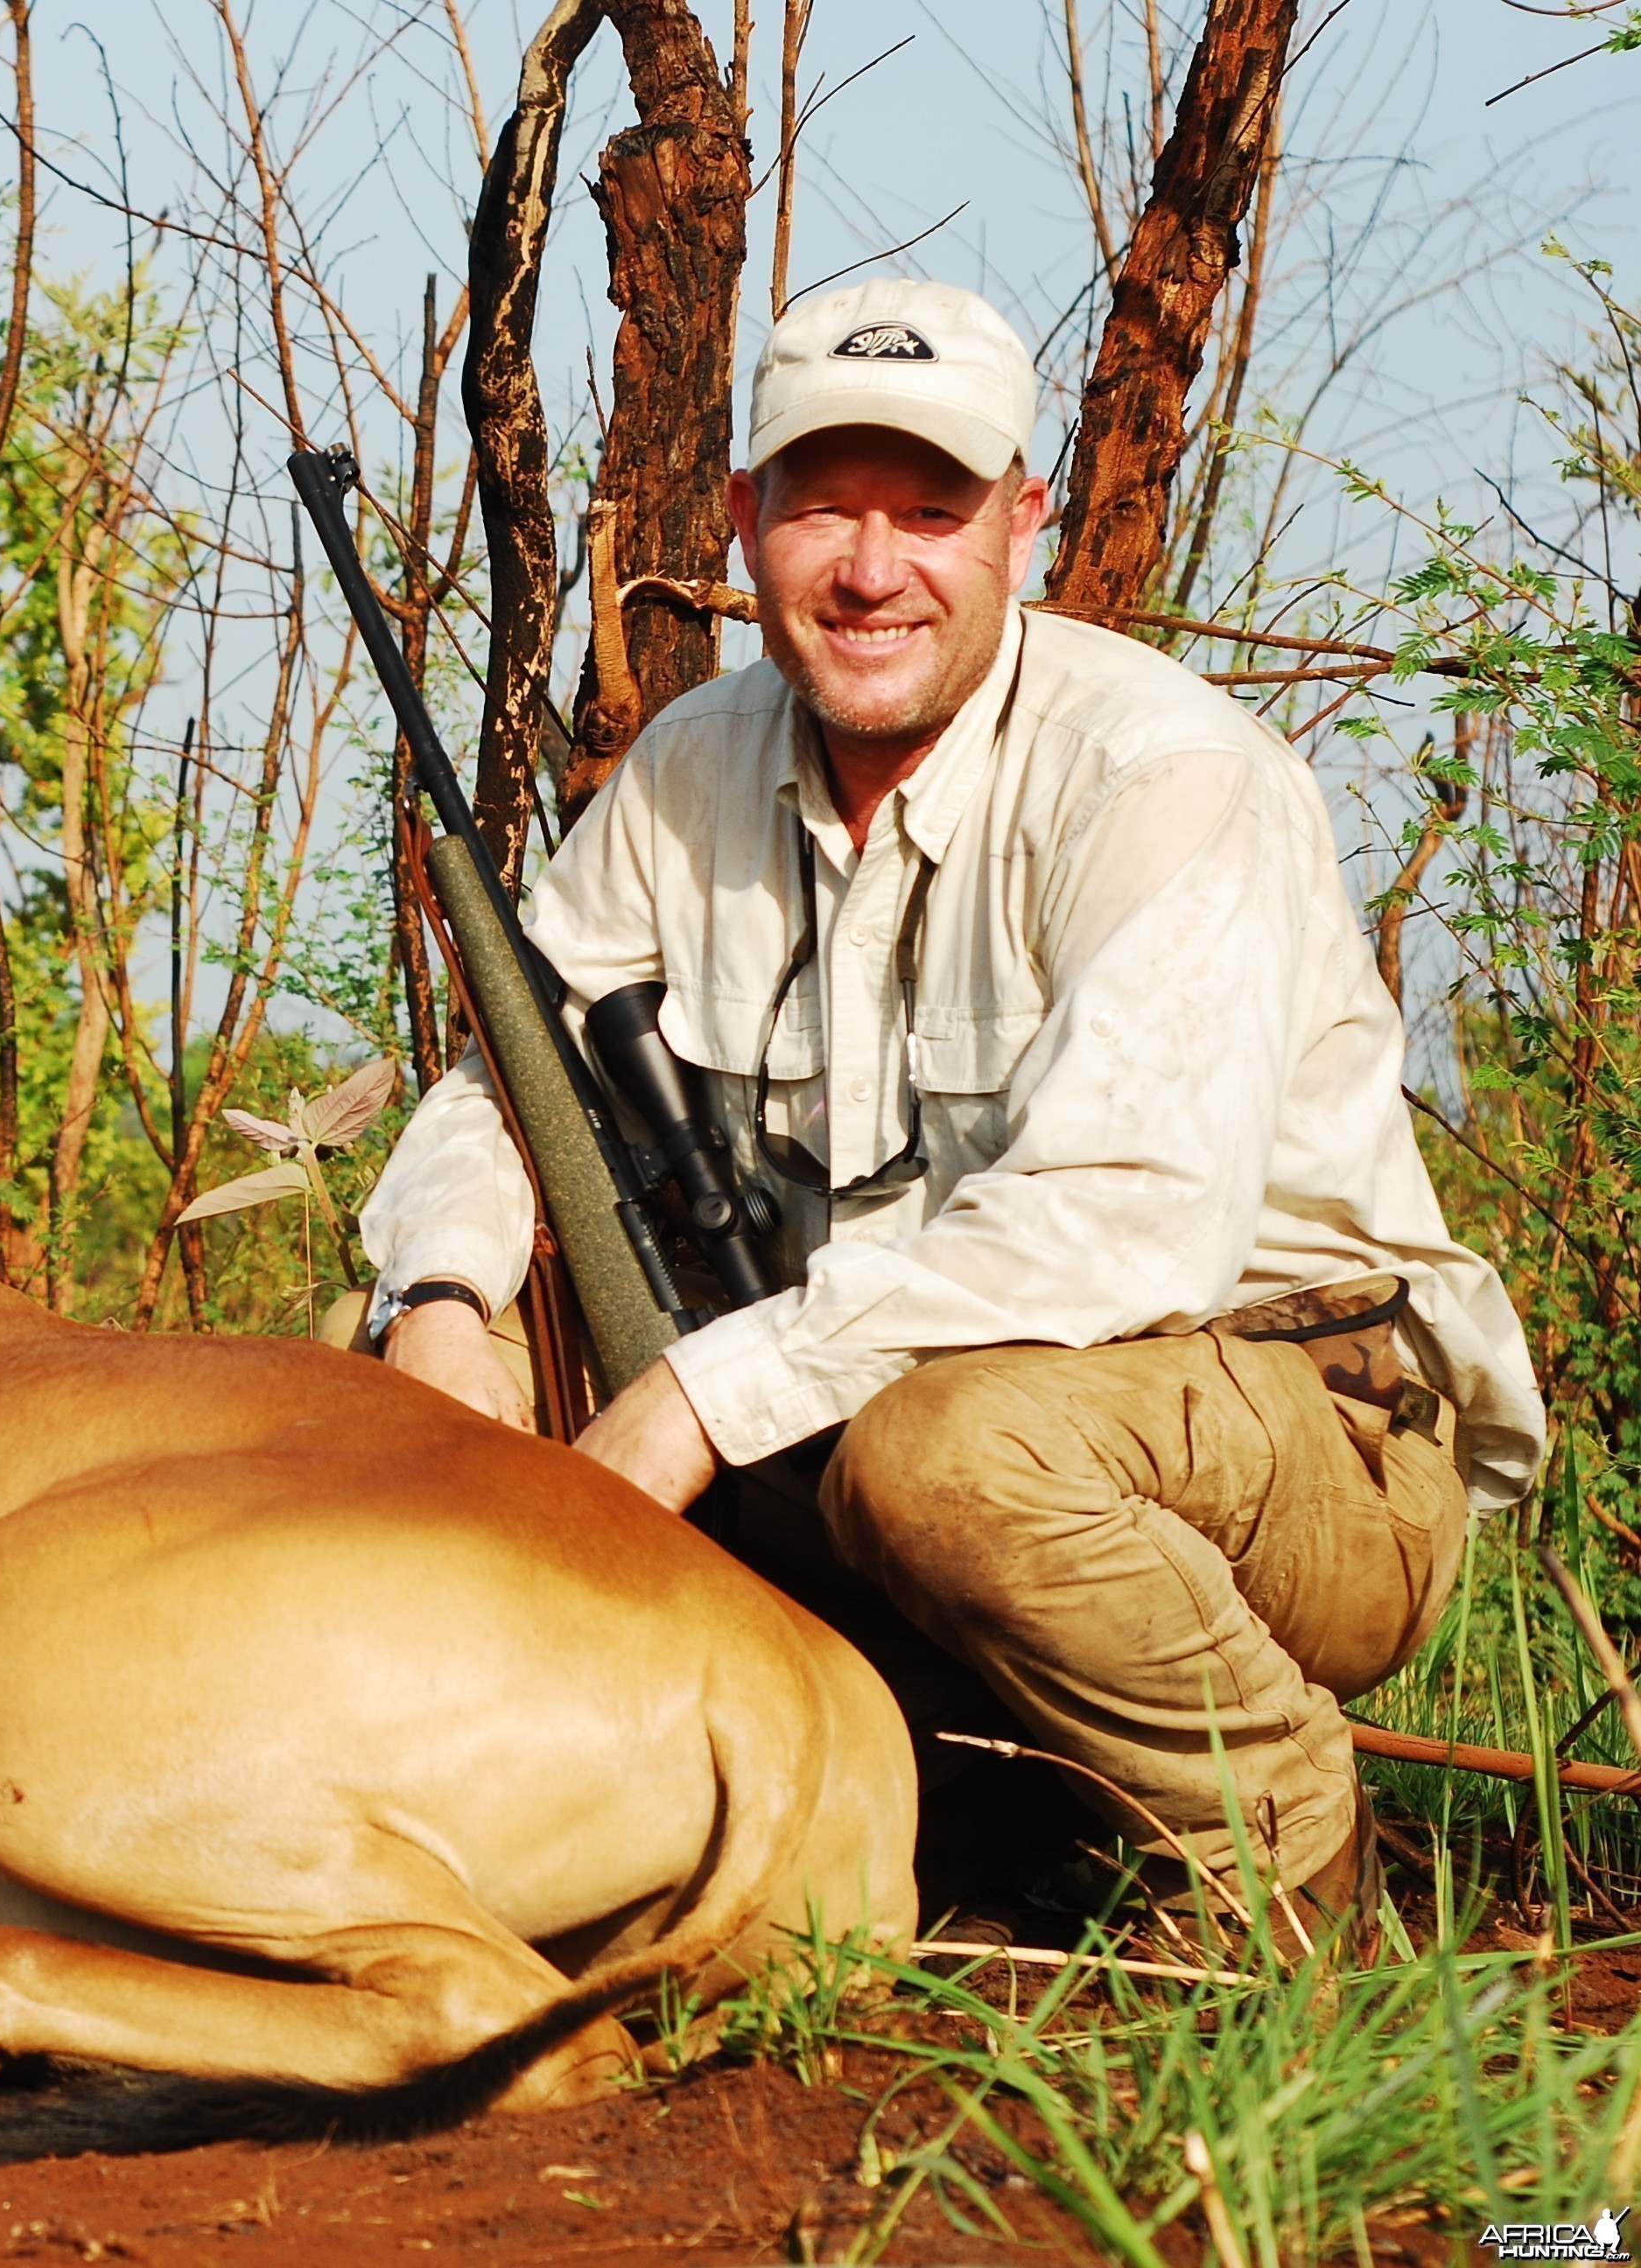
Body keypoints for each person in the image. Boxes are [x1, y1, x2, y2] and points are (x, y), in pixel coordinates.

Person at [354, 276, 1541, 1936]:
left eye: (931, 511)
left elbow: (1120, 1221)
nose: (870, 569)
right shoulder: (694, 766)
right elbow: (512, 1078)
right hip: (882, 1418)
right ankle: (952, 1813)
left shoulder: (1163, 776)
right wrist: (441, 1306)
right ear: (744, 515)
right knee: (420, 1367)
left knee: (945, 1458)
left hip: (1305, 1423)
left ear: (1024, 525)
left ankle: (1294, 1863)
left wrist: (698, 1398)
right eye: (823, 506)